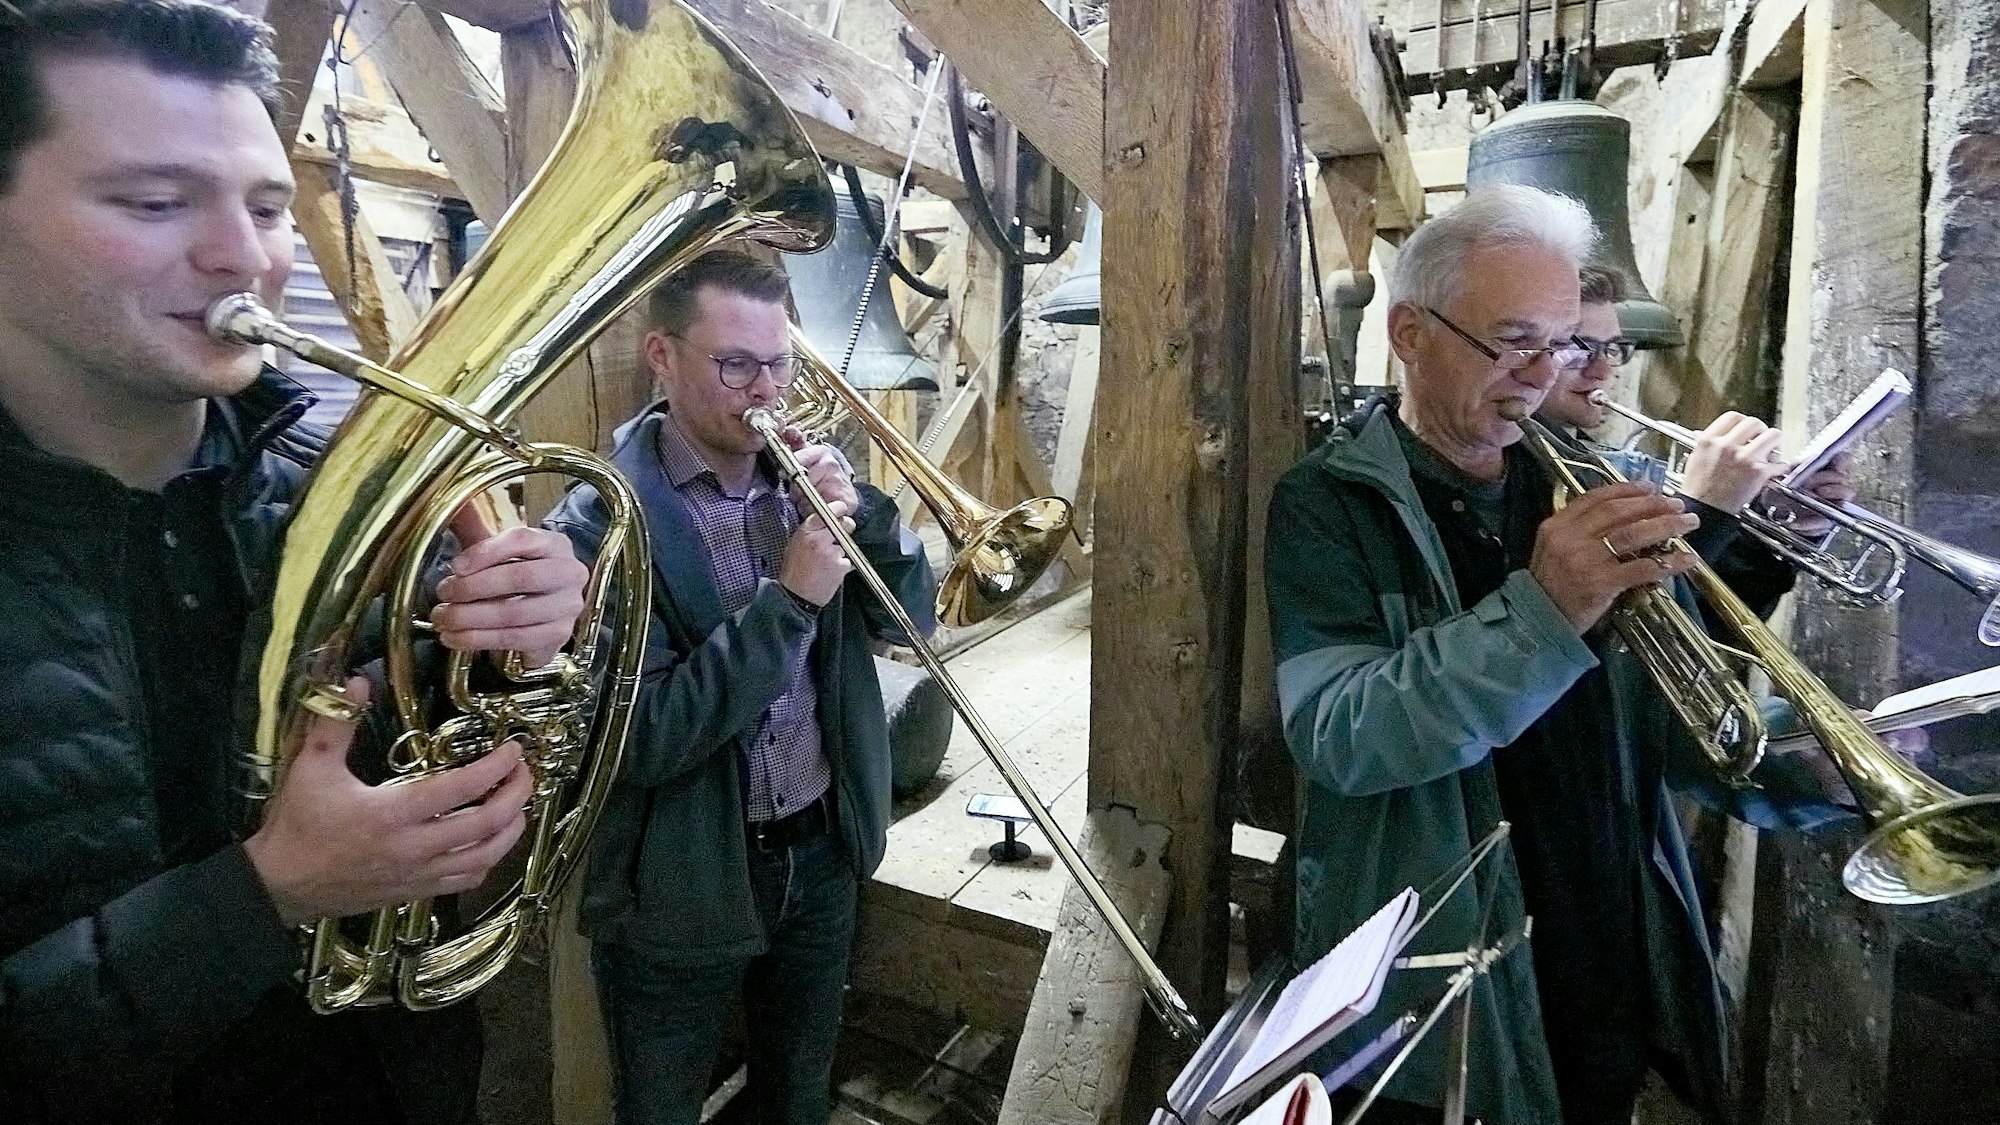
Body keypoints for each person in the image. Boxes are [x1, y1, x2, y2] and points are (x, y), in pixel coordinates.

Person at [0, 3, 594, 1122]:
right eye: (154, 202)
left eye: (269, 207)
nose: (247, 256)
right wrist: (261, 895)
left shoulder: (354, 493)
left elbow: (461, 761)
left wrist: (526, 642)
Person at [1264, 185, 1847, 1125]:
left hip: (1602, 953)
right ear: (1410, 333)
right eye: (1514, 341)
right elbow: (1343, 736)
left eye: (1564, 343)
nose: (1543, 376)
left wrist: (1816, 762)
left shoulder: (1590, 481)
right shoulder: (1329, 503)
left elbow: (1670, 715)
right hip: (1444, 987)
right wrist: (1545, 607)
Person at [546, 250, 937, 1125]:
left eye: (779, 364)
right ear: (662, 355)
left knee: (797, 1101)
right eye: (735, 365)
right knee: (660, 1111)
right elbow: (640, 736)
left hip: (821, 856)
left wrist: (867, 516)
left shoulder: (805, 488)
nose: (765, 391)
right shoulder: (599, 525)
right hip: (675, 888)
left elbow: (914, 619)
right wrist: (789, 603)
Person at [1541, 263, 1857, 618]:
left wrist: (1770, 525)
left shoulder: (1597, 466)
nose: (1602, 371)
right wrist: (1701, 508)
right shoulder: (1523, 478)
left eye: (1613, 348)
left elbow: (1711, 623)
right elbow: (1621, 629)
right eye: (1579, 348)